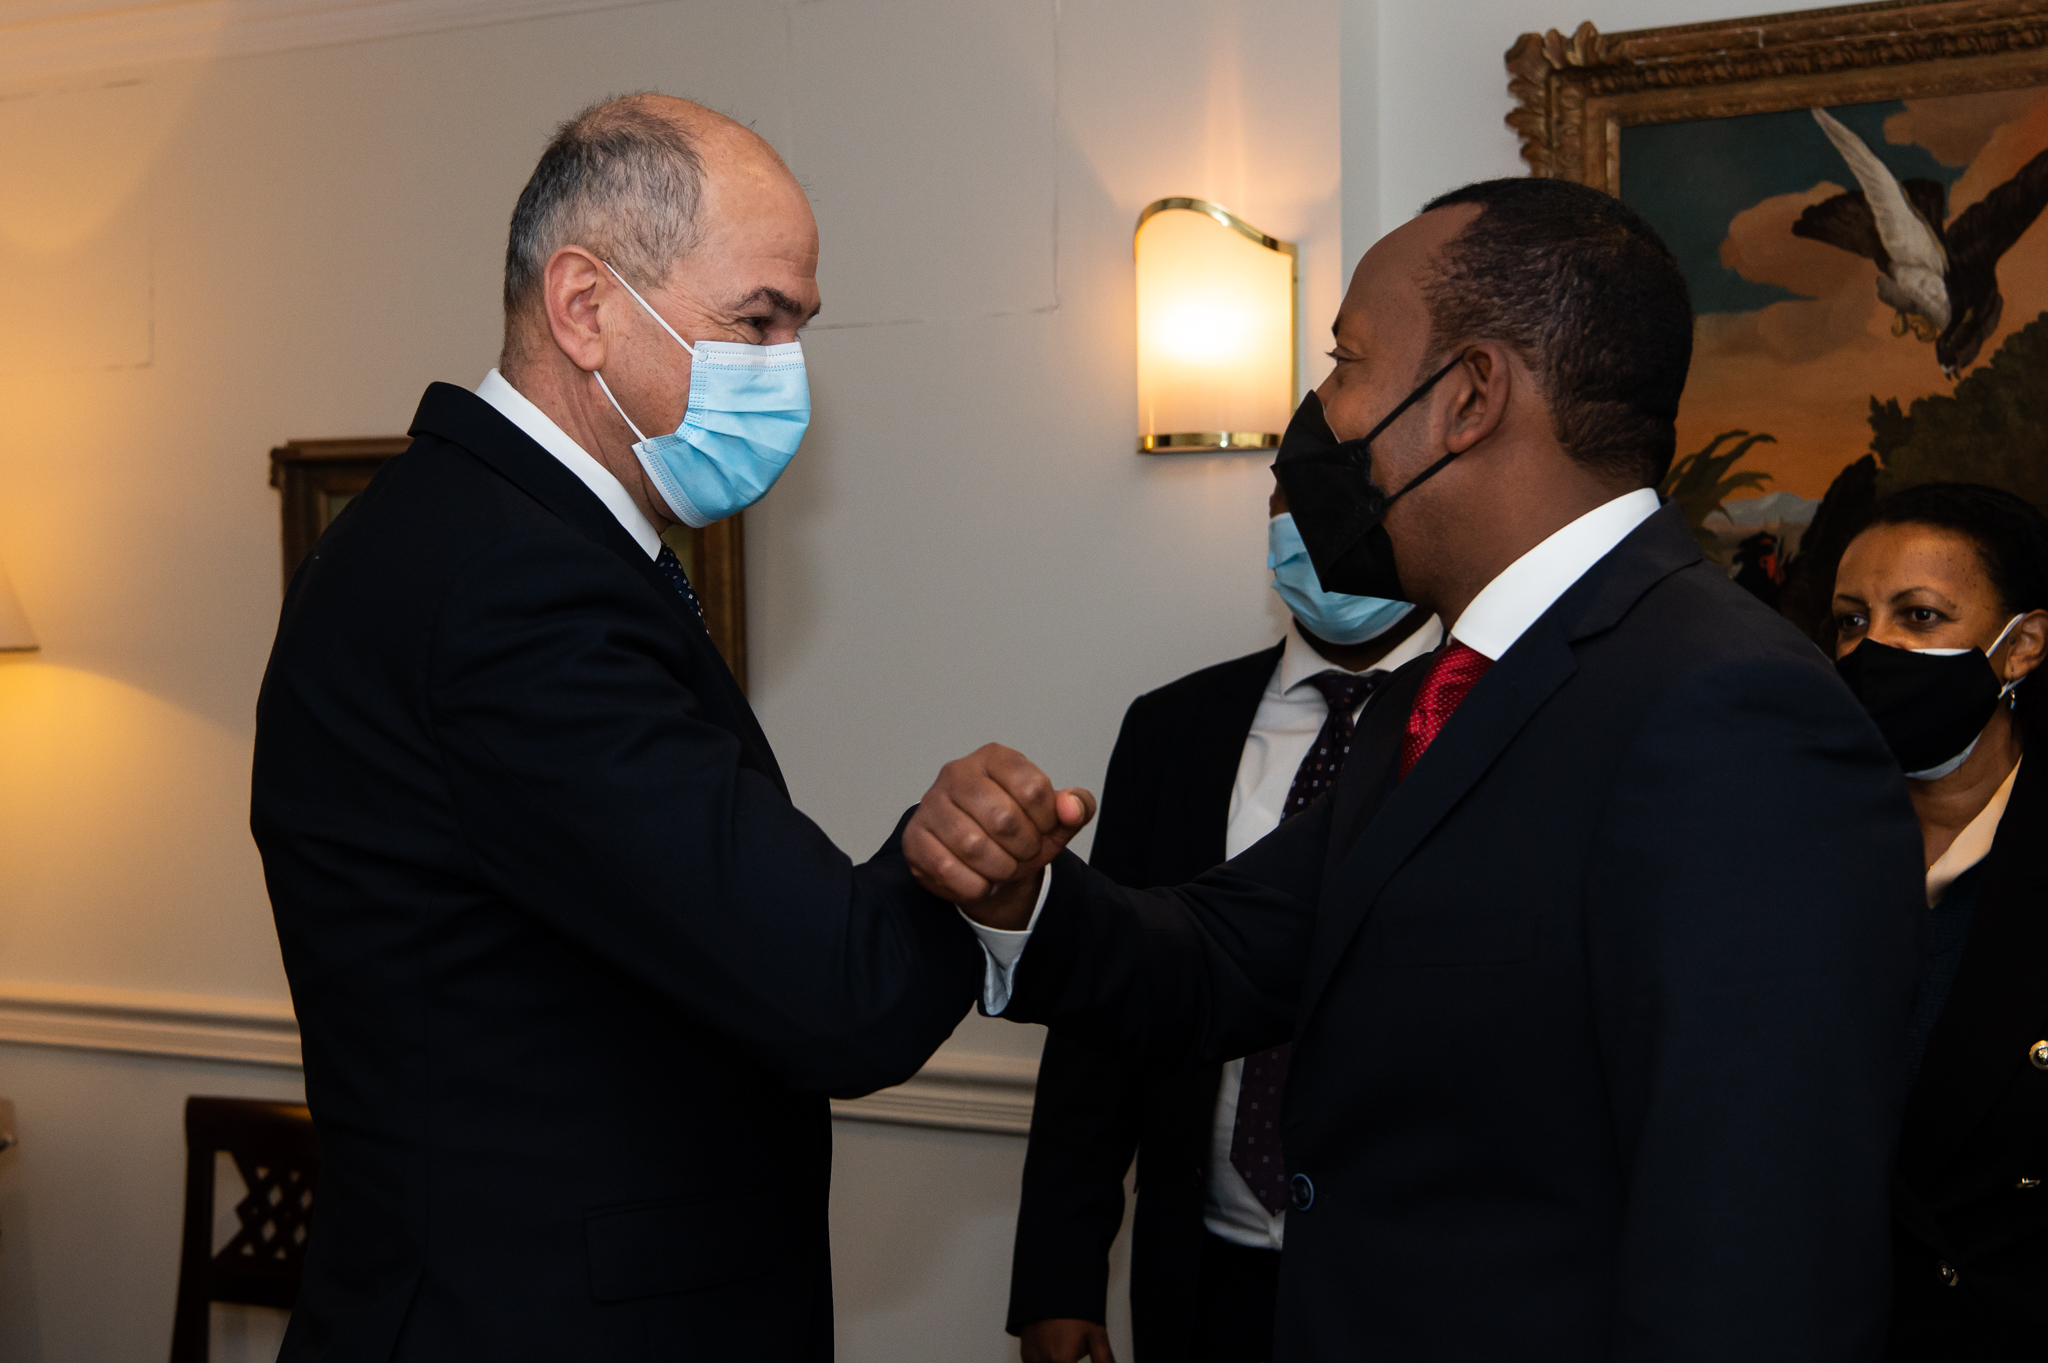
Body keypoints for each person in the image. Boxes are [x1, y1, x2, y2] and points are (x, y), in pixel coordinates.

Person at [903, 177, 1927, 1361]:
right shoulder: (1441, 691)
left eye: (1345, 362)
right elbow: (1229, 953)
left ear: (1468, 398)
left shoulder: (1729, 706)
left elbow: (1759, 1246)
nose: (1319, 413)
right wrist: (1022, 898)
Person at [249, 96, 1067, 1360]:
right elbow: (830, 990)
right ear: (584, 306)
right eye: (757, 321)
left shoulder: (466, 531)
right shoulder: (513, 582)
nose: (786, 368)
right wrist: (964, 862)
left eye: (796, 327)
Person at [1010, 481, 1438, 1363]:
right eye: (1290, 492)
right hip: (1204, 1272)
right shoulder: (1173, 728)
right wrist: (1060, 1272)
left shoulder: (1492, 722)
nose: (1314, 521)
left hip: (1410, 1286)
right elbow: (1107, 1002)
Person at [1828, 483, 2048, 1361]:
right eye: (1852, 620)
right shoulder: (1789, 838)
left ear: (2023, 645)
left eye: (1918, 616)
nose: (1874, 647)